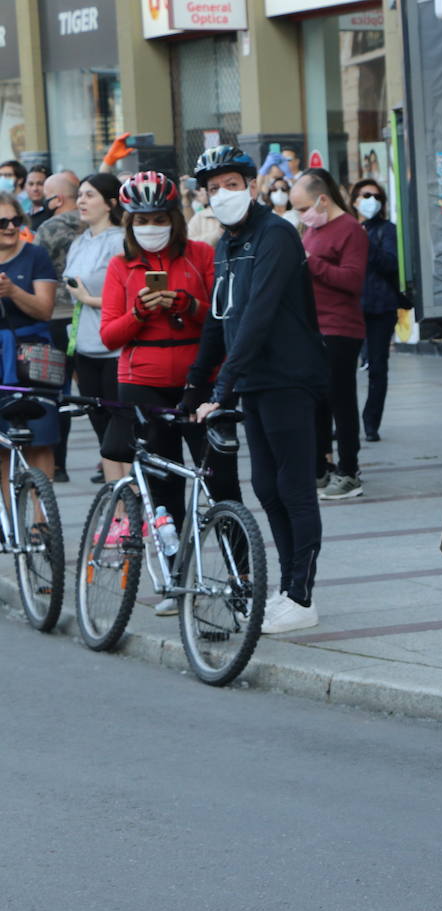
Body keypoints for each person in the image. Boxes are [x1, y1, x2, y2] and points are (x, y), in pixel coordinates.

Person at [189, 145, 329, 635]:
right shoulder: (226, 245)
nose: (223, 194)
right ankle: (288, 588)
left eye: (232, 184)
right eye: (213, 188)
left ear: (251, 185)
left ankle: (302, 596)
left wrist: (222, 388)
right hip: (254, 381)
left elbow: (259, 315)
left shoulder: (277, 235)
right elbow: (219, 319)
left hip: (290, 377)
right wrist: (195, 385)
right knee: (267, 487)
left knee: (293, 486)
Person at [100, 172, 243, 616]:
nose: (151, 226)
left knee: (222, 481)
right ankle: (176, 581)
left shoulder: (201, 254)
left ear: (174, 219)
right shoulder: (121, 265)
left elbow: (221, 317)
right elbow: (109, 335)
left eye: (160, 217)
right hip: (142, 383)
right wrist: (139, 311)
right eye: (142, 219)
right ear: (129, 222)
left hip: (200, 382)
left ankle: (242, 580)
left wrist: (186, 305)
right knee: (164, 487)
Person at [291, 167, 368, 500]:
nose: (301, 215)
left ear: (322, 199)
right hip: (313, 326)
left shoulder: (350, 229)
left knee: (340, 400)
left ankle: (349, 471)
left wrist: (310, 262)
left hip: (340, 328)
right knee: (316, 401)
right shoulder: (313, 228)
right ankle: (321, 466)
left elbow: (351, 280)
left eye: (303, 207)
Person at [64, 173, 125, 483]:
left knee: (121, 425)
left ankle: (135, 497)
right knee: (99, 423)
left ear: (110, 202)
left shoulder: (121, 241)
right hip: (85, 345)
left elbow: (132, 296)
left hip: (116, 348)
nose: (81, 201)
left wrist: (89, 298)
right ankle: (117, 504)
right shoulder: (79, 241)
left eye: (89, 195)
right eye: (80, 195)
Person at [0, 192, 60, 479]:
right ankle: (12, 522)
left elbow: (45, 310)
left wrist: (12, 291)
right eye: (2, 222)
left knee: (41, 440)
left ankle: (41, 519)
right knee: (2, 445)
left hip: (35, 357)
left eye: (14, 220)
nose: (10, 227)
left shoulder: (35, 254)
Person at [34, 172, 83, 483]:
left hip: (55, 318)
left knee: (55, 391)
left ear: (58, 199)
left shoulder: (48, 228)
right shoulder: (94, 226)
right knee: (95, 393)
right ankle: (108, 461)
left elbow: (36, 266)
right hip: (88, 318)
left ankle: (59, 464)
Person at [351, 178, 403, 442]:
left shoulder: (387, 230)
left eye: (375, 195)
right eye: (365, 195)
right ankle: (344, 422)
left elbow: (392, 264)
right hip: (350, 308)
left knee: (377, 367)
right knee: (344, 368)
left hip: (380, 307)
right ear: (355, 200)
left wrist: (366, 244)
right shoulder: (348, 229)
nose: (370, 200)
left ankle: (371, 423)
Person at [24, 165, 52, 230]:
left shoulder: (54, 214)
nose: (35, 189)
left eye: (40, 184)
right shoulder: (23, 213)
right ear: (25, 187)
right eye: (31, 184)